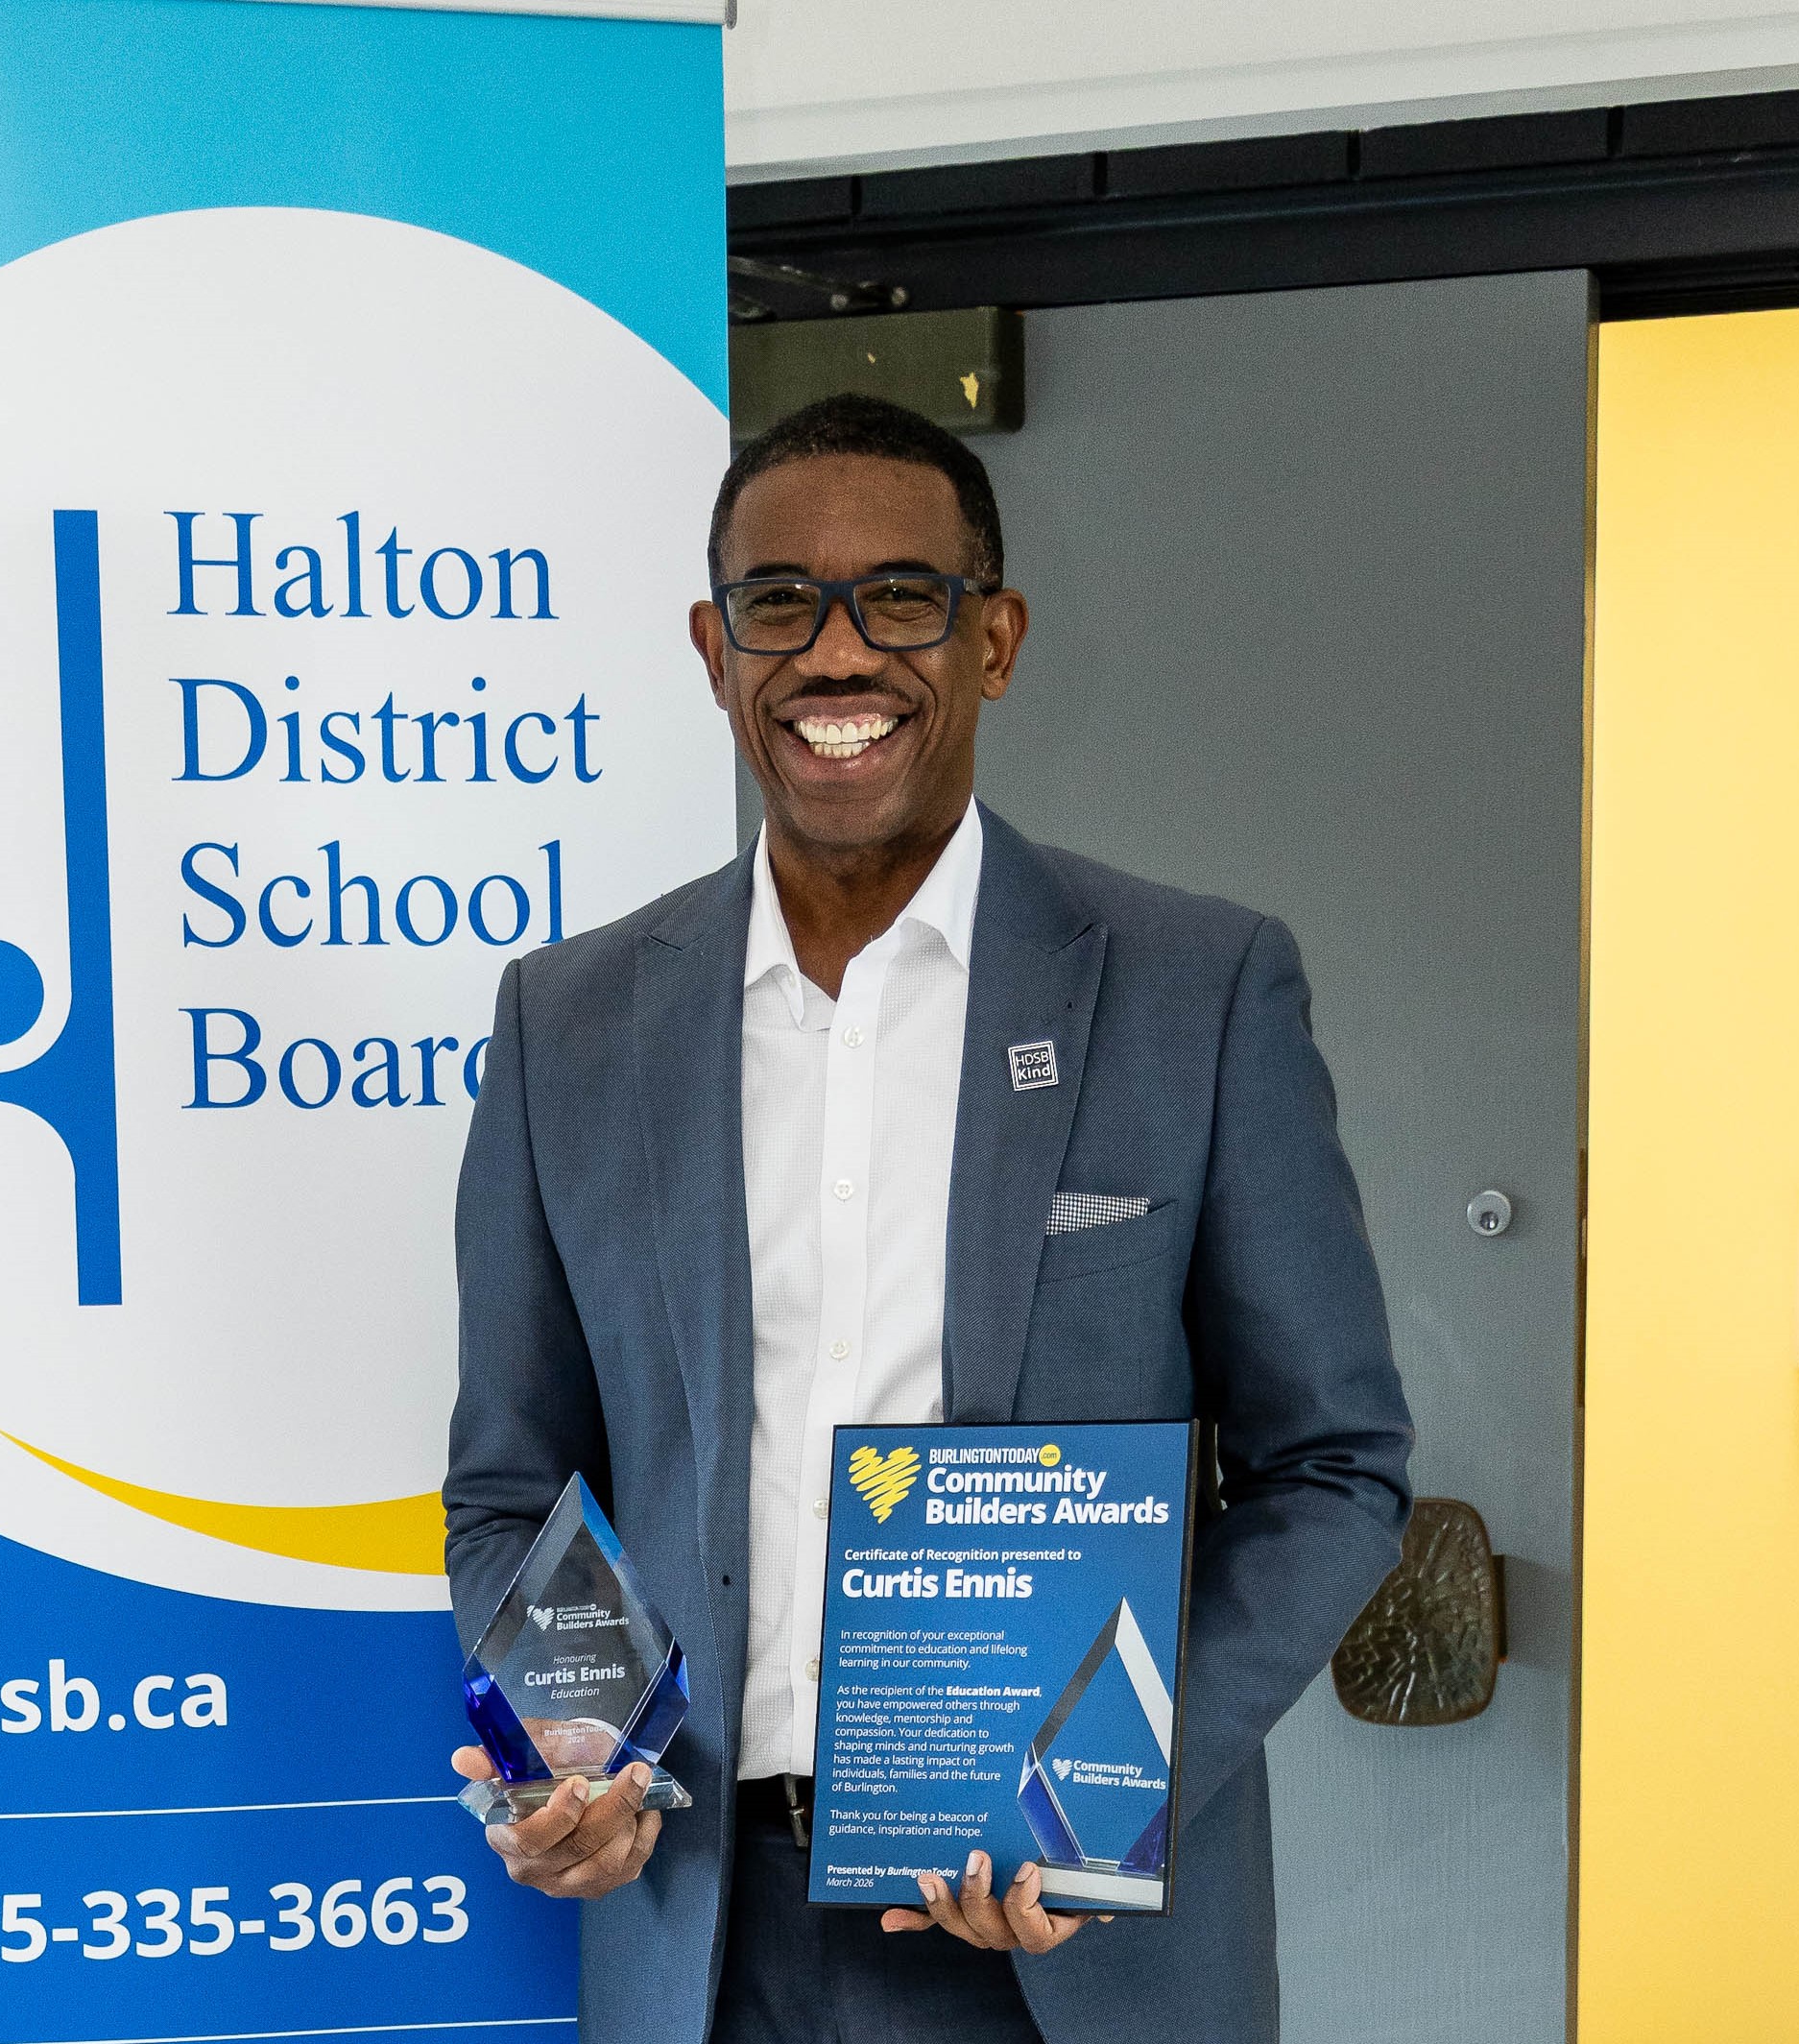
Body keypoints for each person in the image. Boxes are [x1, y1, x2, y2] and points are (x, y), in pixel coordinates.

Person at [444, 394, 1414, 2044]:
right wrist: (575, 1751)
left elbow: (1334, 1468)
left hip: (1070, 1945)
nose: (839, 656)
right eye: (780, 604)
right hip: (703, 1936)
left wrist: (1111, 1770)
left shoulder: (1197, 987)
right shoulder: (572, 1023)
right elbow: (518, 1484)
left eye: (901, 597)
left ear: (995, 639)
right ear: (713, 645)